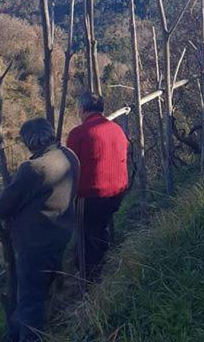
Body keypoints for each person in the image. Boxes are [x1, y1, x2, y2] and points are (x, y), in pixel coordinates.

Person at [0, 118, 79, 342]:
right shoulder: (69, 155)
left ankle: (29, 337)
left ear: (29, 142)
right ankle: (22, 333)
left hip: (35, 245)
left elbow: (2, 205)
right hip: (60, 233)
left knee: (30, 301)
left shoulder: (33, 169)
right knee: (40, 291)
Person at [67, 91, 128, 282]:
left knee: (89, 236)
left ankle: (91, 281)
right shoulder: (117, 129)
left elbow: (69, 166)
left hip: (92, 195)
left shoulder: (79, 134)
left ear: (83, 109)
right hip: (117, 191)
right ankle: (99, 257)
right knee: (98, 227)